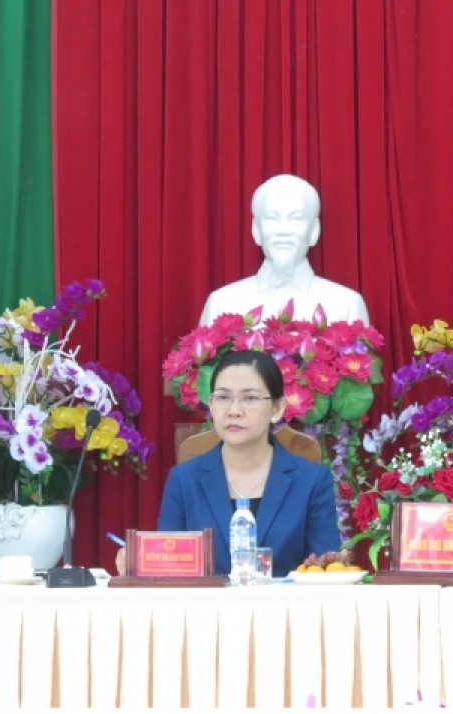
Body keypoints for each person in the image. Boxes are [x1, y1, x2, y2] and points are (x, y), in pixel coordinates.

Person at [115, 350, 342, 576]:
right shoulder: (183, 480)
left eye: (250, 398)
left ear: (277, 408)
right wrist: (139, 565)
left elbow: (324, 570)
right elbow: (169, 569)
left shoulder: (311, 481)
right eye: (223, 398)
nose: (234, 411)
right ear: (211, 405)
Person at [198, 174, 370, 326]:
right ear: (256, 230)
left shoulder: (347, 305)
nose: (283, 230)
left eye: (296, 219)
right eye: (272, 218)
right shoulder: (222, 304)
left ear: (314, 231)